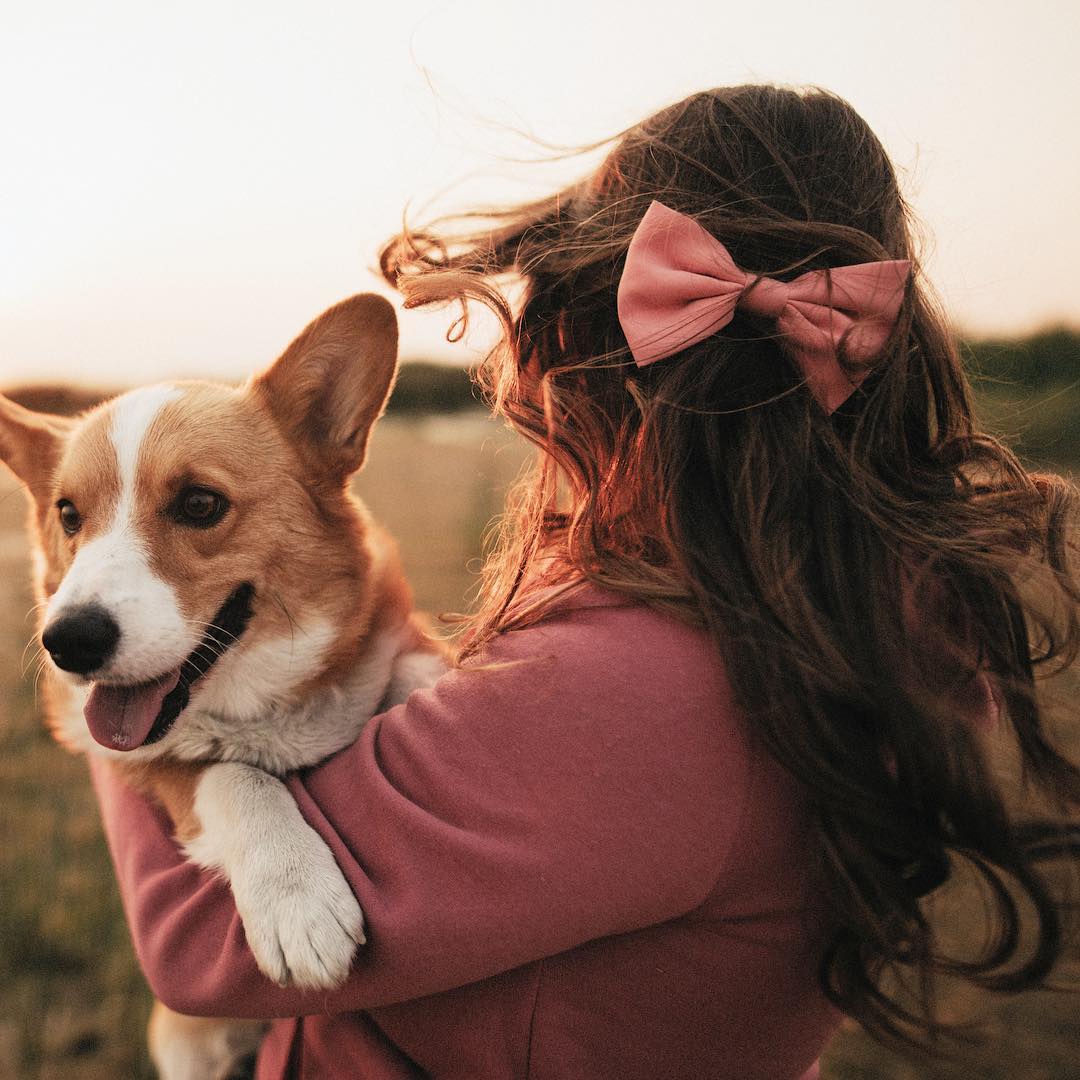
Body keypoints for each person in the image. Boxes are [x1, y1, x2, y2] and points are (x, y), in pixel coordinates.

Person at [91, 85, 1080, 1079]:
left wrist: (119, 655)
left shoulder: (634, 694)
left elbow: (198, 937)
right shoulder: (862, 611)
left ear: (579, 333)